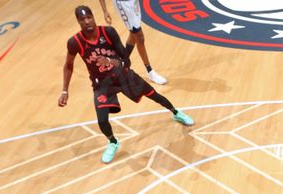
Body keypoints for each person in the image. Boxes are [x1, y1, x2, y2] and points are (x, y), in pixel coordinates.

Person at [58, 5, 193, 164]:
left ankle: (176, 112)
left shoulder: (108, 32)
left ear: (93, 17)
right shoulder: (74, 42)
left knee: (154, 96)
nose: (87, 21)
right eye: (83, 19)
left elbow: (125, 60)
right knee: (102, 120)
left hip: (123, 75)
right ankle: (113, 142)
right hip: (102, 84)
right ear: (78, 21)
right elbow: (68, 65)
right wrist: (65, 91)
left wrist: (109, 61)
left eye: (89, 17)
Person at [98, 0, 167, 84]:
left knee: (133, 34)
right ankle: (149, 71)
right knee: (139, 36)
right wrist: (105, 11)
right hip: (123, 4)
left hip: (133, 2)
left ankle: (121, 64)